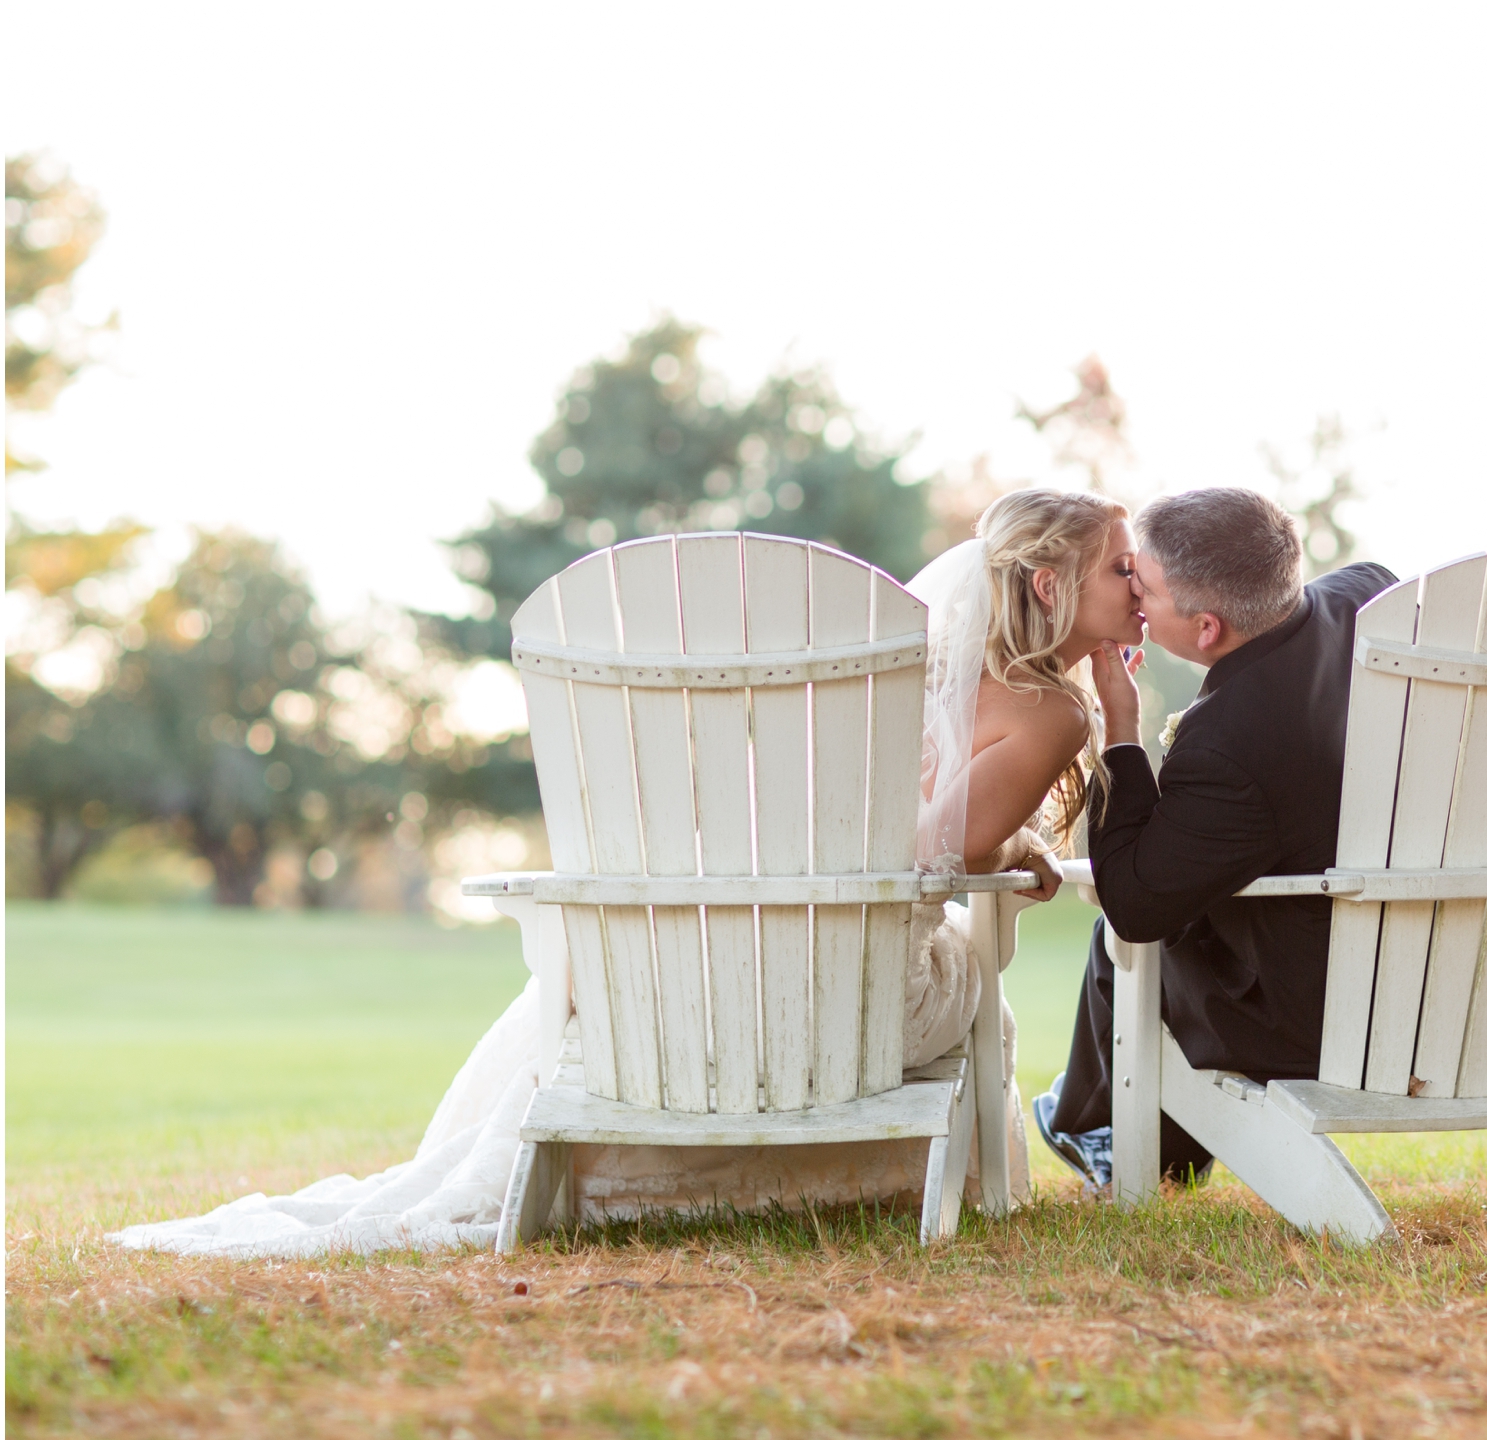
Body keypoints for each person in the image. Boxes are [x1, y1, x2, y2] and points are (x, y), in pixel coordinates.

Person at [107, 492, 1138, 1257]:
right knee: (982, 1010)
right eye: (1118, 571)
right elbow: (940, 852)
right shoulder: (1050, 709)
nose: (1137, 587)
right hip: (855, 998)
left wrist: (1006, 842)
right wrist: (1018, 850)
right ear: (1048, 586)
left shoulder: (887, 671)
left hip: (697, 967)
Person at [1030, 487, 1396, 1188]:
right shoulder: (1367, 597)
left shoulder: (1230, 741)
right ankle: (1112, 1129)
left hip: (1327, 1019)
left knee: (1129, 943)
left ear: (1205, 629)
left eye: (1148, 587)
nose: (1133, 591)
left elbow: (1133, 905)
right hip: (1434, 975)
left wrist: (1122, 733)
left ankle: (1102, 1133)